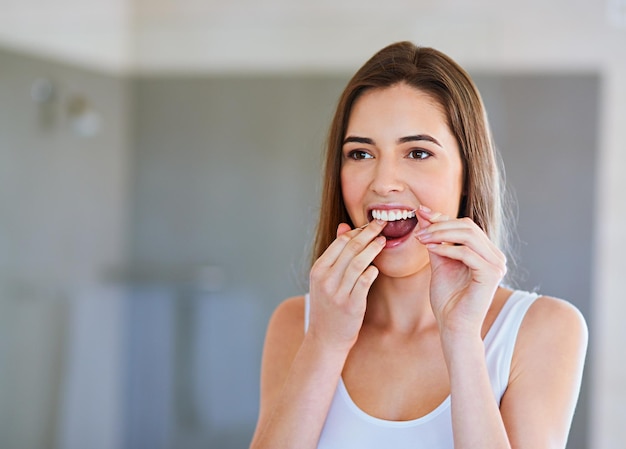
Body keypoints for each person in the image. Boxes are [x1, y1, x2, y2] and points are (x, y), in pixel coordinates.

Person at [249, 41, 588, 449]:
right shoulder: (297, 325)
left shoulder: (544, 329)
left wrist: (461, 335)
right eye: (360, 153)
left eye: (417, 152)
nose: (383, 181)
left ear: (467, 174)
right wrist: (326, 343)